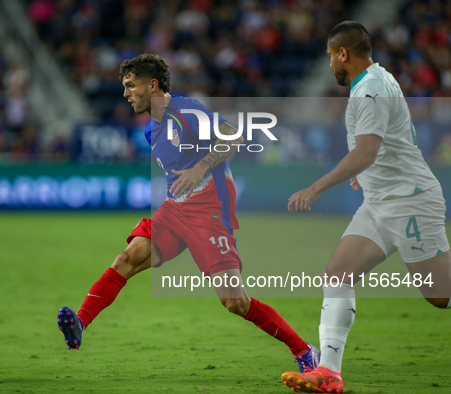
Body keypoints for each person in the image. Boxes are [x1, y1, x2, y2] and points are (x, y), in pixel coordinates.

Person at [58, 54, 320, 373]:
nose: (125, 94)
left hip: (209, 211)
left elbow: (233, 136)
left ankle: (304, 350)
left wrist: (198, 169)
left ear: (152, 85)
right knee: (127, 258)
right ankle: (80, 323)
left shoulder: (187, 110)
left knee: (234, 301)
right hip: (175, 209)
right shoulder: (150, 131)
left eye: (130, 86)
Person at [281, 21, 451, 393]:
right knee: (336, 275)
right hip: (379, 202)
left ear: (343, 53)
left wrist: (317, 186)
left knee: (440, 296)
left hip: (410, 203)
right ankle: (329, 372)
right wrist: (366, 173)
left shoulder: (371, 89)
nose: (330, 64)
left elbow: (367, 150)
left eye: (330, 56)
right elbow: (394, 137)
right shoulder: (377, 80)